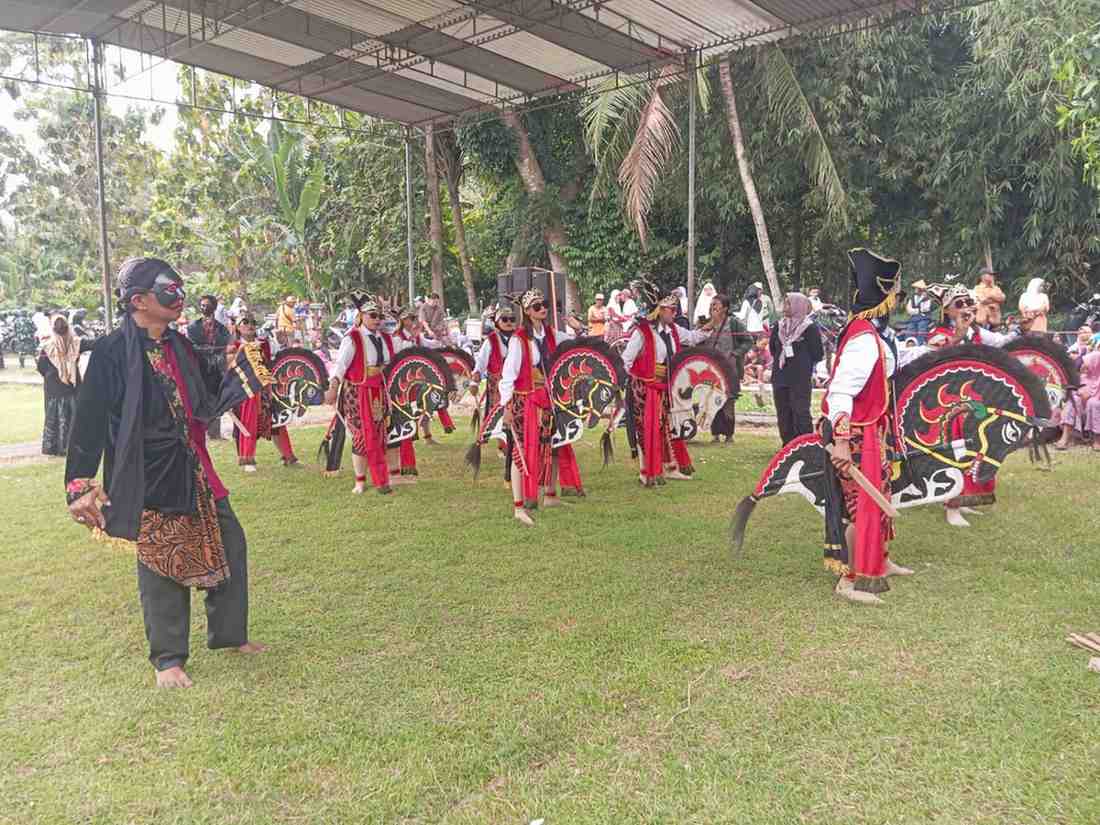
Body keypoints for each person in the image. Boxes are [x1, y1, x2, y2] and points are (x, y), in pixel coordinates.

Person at [65, 257, 266, 688]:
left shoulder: (180, 345)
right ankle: (169, 659)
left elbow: (204, 394)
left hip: (195, 464)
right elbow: (88, 422)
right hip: (148, 472)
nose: (180, 297)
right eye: (169, 291)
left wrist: (243, 371)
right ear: (139, 301)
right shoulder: (110, 353)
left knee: (230, 540)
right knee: (160, 560)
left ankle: (231, 635)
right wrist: (79, 485)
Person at [820, 248, 912, 605]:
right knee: (861, 506)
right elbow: (840, 391)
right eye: (895, 295)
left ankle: (880, 561)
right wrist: (841, 443)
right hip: (855, 434)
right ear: (884, 298)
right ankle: (849, 580)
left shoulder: (873, 334)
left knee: (880, 498)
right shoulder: (863, 339)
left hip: (872, 429)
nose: (897, 301)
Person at [928, 283, 1027, 527]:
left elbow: (1003, 342)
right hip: (951, 404)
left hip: (977, 401)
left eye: (968, 303)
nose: (966, 308)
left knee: (980, 450)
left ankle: (967, 500)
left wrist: (1020, 330)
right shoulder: (938, 334)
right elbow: (932, 360)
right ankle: (951, 507)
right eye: (958, 305)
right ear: (947, 311)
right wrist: (958, 336)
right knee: (957, 453)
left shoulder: (979, 333)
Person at [498, 288, 584, 524]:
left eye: (544, 304)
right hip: (526, 402)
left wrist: (577, 328)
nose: (543, 309)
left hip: (550, 400)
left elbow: (573, 344)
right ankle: (518, 507)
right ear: (527, 312)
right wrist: (505, 406)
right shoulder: (519, 339)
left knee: (553, 446)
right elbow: (508, 376)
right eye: (537, 306)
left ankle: (551, 495)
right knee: (522, 452)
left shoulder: (550, 333)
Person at [324, 292, 416, 494]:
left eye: (380, 316)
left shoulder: (386, 339)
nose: (377, 320)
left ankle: (389, 475)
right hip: (358, 393)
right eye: (373, 315)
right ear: (361, 316)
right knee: (362, 437)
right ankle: (360, 481)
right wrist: (332, 387)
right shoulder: (353, 338)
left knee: (385, 435)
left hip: (381, 393)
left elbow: (403, 354)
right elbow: (341, 365)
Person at [622, 283, 711, 487]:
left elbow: (693, 337)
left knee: (669, 427)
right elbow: (626, 360)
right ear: (659, 310)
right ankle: (647, 471)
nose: (675, 312)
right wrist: (634, 383)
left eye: (675, 308)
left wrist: (711, 324)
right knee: (647, 429)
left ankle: (670, 467)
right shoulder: (642, 332)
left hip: (666, 386)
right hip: (645, 389)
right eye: (671, 309)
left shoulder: (673, 329)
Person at [229, 315, 298, 472]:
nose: (250, 325)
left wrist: (282, 343)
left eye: (253, 322)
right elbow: (228, 368)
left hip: (267, 388)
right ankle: (247, 459)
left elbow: (274, 361)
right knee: (248, 423)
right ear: (238, 327)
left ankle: (288, 456)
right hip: (246, 392)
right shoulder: (233, 345)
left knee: (278, 422)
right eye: (245, 323)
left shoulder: (264, 343)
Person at [395, 307, 454, 452]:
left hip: (417, 377)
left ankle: (427, 436)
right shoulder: (397, 337)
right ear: (403, 321)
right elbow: (402, 352)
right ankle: (408, 438)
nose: (414, 321)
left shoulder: (416, 336)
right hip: (402, 379)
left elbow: (428, 344)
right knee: (406, 408)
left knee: (427, 401)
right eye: (411, 318)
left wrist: (442, 343)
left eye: (415, 318)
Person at [769, 293, 825, 445]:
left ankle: (804, 444)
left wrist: (802, 362)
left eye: (788, 304)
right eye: (785, 303)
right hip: (781, 375)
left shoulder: (809, 328)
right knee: (783, 411)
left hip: (799, 377)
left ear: (797, 306)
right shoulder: (778, 326)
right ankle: (788, 444)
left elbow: (817, 353)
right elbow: (773, 349)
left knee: (800, 410)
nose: (785, 307)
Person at [37, 314, 94, 455]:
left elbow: (41, 367)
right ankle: (74, 446)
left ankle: (55, 447)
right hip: (73, 384)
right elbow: (96, 344)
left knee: (55, 417)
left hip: (53, 386)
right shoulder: (76, 343)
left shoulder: (47, 346)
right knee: (74, 414)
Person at [702, 293, 752, 443]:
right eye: (712, 304)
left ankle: (729, 434)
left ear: (725, 308)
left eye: (716, 304)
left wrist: (736, 353)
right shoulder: (705, 322)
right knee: (712, 399)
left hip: (730, 368)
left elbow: (748, 340)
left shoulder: (735, 323)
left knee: (728, 401)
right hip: (711, 369)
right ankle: (715, 434)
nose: (713, 307)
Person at [186, 295, 232, 441]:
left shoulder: (222, 329)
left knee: (216, 398)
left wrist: (212, 349)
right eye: (202, 305)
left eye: (207, 305)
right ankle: (201, 431)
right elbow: (193, 346)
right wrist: (211, 349)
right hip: (200, 368)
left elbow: (224, 346)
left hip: (217, 368)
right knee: (200, 398)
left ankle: (214, 432)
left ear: (214, 307)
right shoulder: (193, 327)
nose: (204, 307)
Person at [471, 304, 517, 413]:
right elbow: (481, 363)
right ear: (497, 322)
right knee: (496, 416)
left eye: (512, 319)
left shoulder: (520, 339)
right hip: (496, 389)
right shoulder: (490, 341)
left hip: (517, 386)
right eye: (505, 319)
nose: (509, 322)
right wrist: (474, 383)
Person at [1055, 351, 1100, 451]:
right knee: (1074, 400)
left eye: (1087, 363)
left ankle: (1097, 439)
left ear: (1095, 363)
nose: (1083, 366)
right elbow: (1072, 392)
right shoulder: (1083, 376)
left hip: (1095, 412)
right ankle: (1065, 437)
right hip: (1081, 414)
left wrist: (1091, 395)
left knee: (1094, 403)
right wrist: (1078, 393)